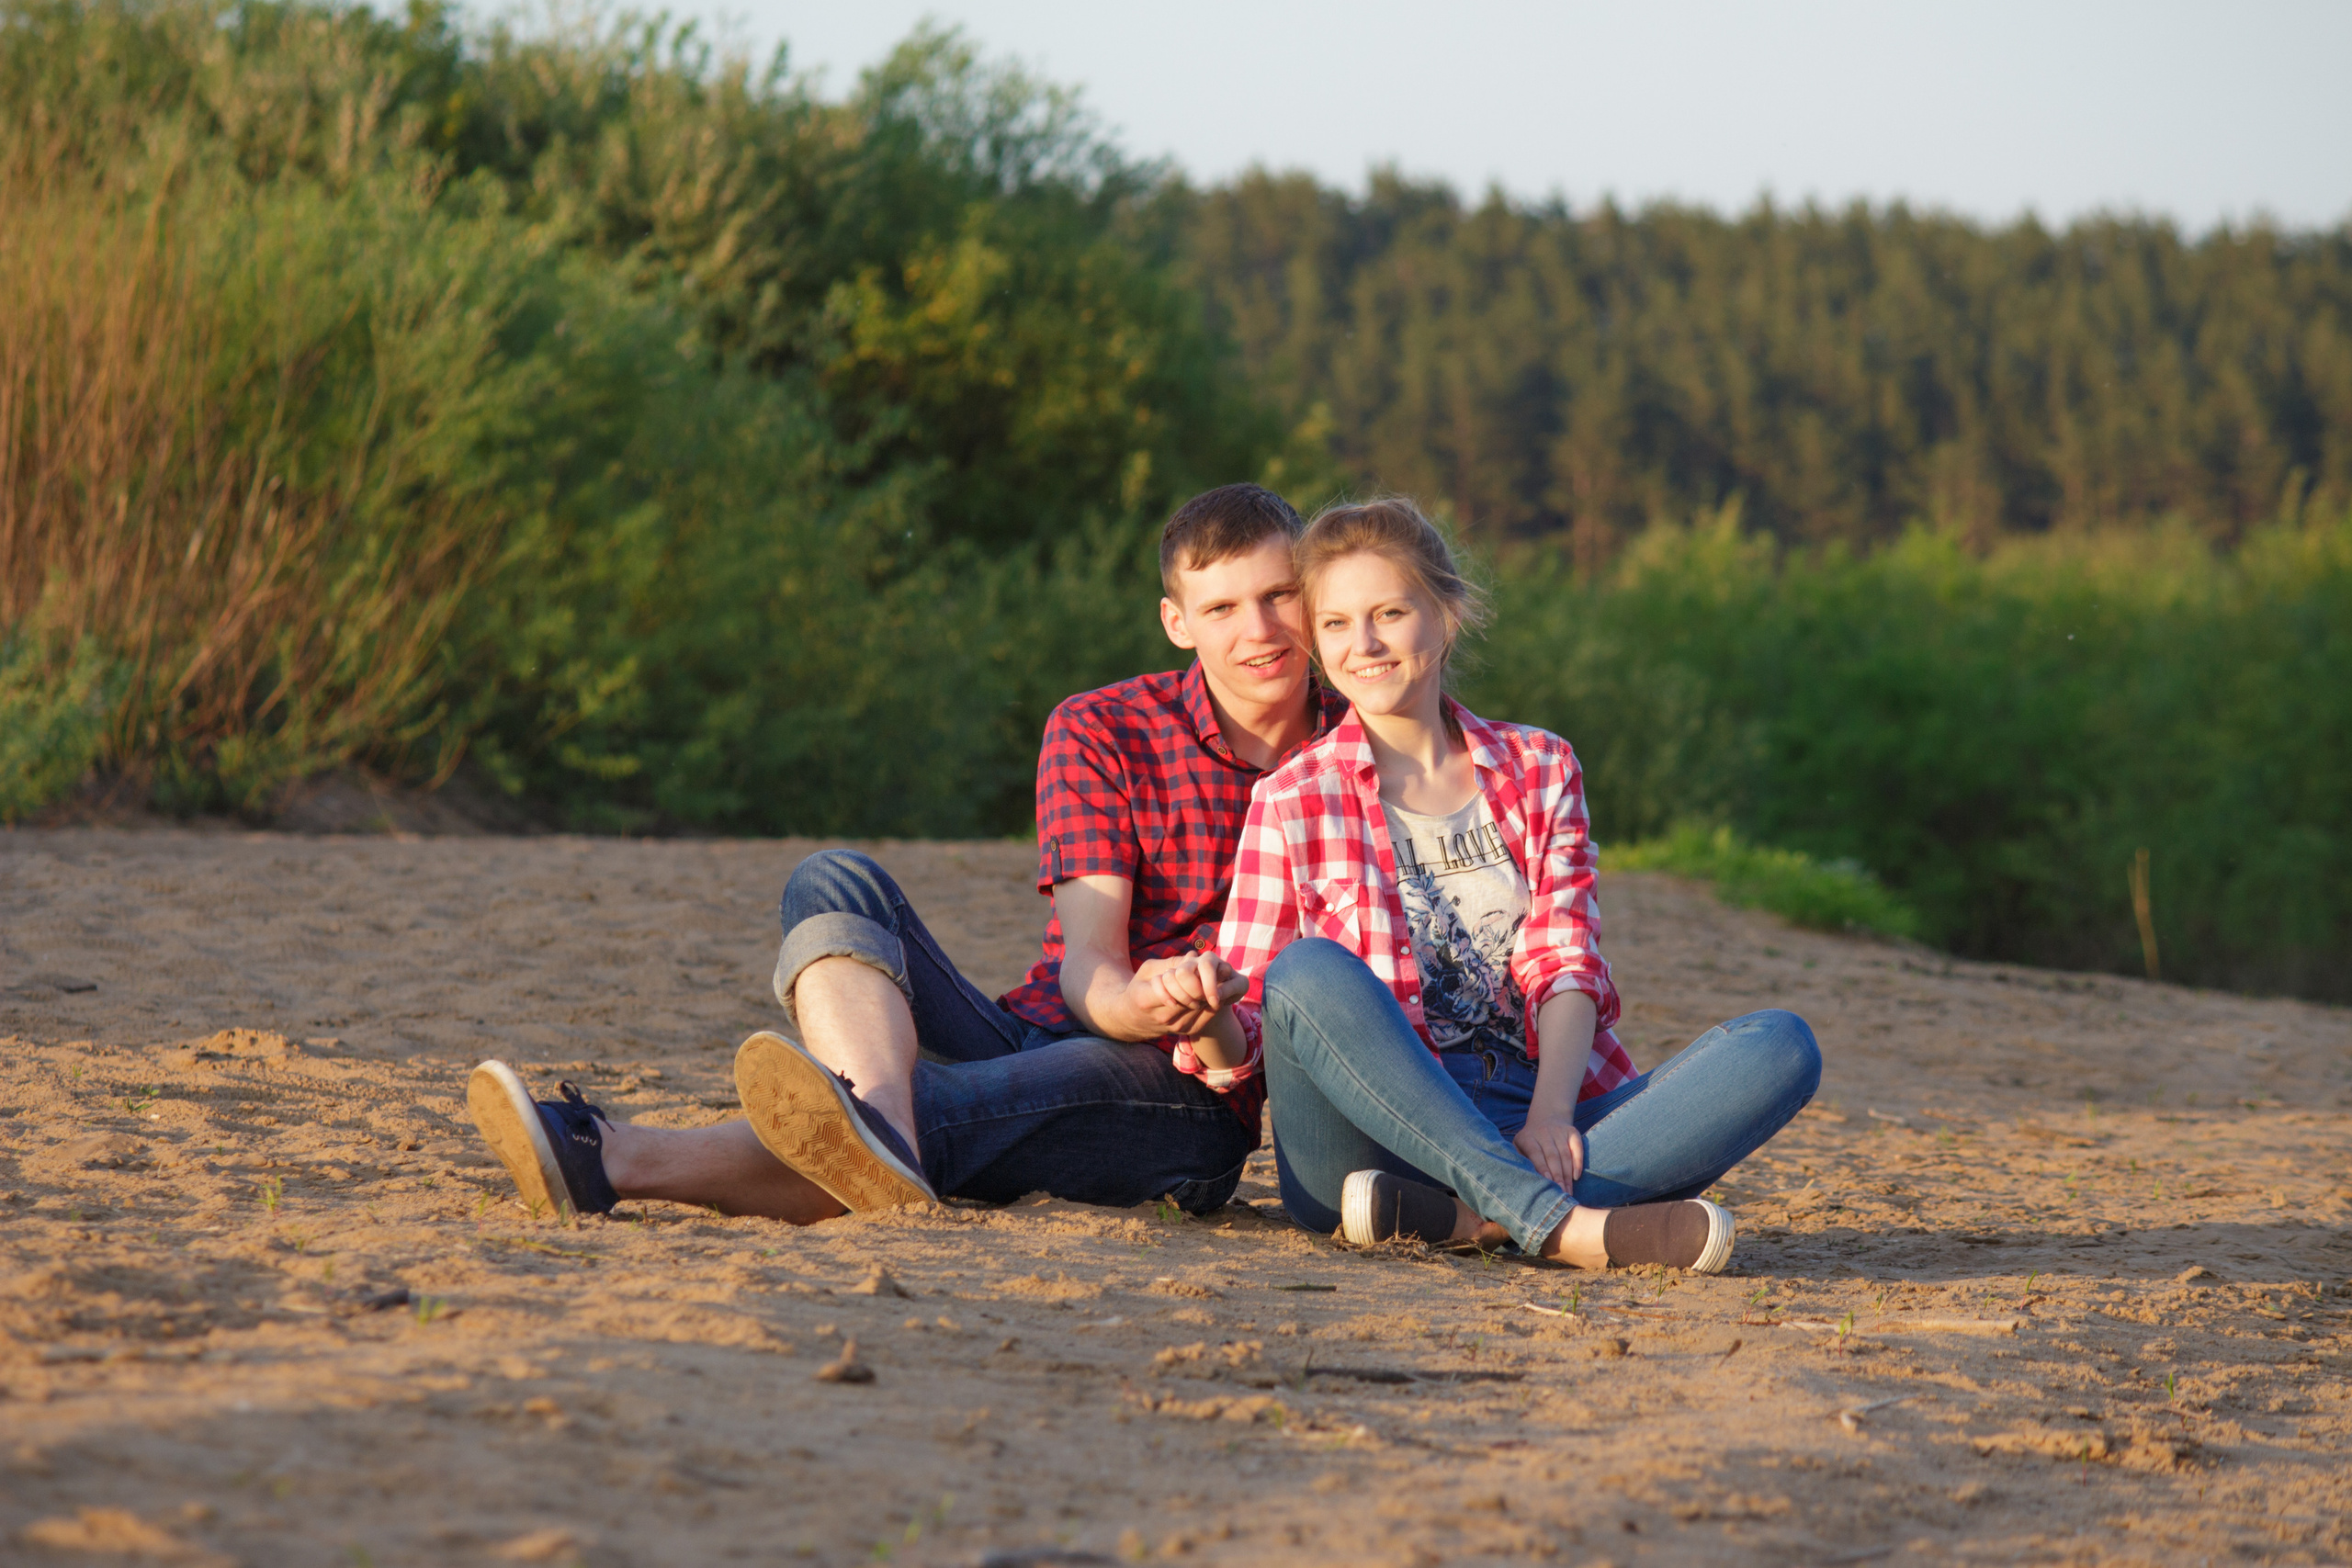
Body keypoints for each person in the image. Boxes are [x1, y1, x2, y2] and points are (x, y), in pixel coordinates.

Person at [466, 484, 1346, 1224]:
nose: (1259, 629)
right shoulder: (1104, 727)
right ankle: (878, 1123)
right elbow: (1090, 964)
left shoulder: (1361, 754)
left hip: (1188, 1093)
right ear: (1177, 622)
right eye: (1223, 607)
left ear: (1313, 593)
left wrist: (1179, 1014)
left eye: (1278, 596)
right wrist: (1136, 997)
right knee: (834, 877)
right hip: (1052, 1020)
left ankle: (617, 1159)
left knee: (952, 1112)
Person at [1179, 498, 1820, 1272]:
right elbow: (1247, 1035)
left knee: (1781, 1045)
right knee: (1303, 971)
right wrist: (1208, 1010)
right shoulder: (1290, 799)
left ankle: (1473, 1221)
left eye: (1390, 612)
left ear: (1445, 616)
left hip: (1532, 1118)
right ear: (1316, 643)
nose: (1366, 644)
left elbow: (1565, 961)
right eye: (1338, 624)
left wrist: (1552, 1112)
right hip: (1372, 1144)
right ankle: (1562, 1228)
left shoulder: (1541, 766)